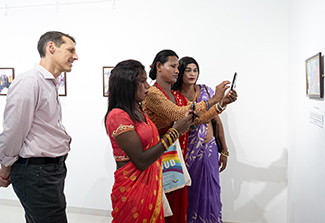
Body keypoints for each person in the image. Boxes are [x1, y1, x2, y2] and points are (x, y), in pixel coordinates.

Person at [142, 50, 234, 223]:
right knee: (164, 208)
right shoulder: (154, 93)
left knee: (179, 207)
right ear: (159, 67)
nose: (177, 70)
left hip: (176, 157)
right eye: (174, 66)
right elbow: (178, 114)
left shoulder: (175, 95)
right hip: (159, 156)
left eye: (178, 66)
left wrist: (221, 105)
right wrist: (214, 99)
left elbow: (195, 120)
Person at [104, 59, 197, 222]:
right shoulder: (118, 116)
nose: (148, 86)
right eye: (142, 81)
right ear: (127, 84)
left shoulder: (139, 110)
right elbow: (140, 160)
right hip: (133, 191)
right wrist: (174, 132)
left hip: (151, 187)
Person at [0, 31, 78, 223]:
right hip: (36, 173)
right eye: (70, 50)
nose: (75, 56)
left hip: (48, 171)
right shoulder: (30, 82)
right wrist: (5, 166)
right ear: (51, 47)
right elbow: (13, 131)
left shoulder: (48, 83)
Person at [172, 56, 237, 223]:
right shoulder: (174, 97)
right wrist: (218, 102)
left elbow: (217, 121)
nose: (193, 74)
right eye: (188, 70)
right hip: (186, 152)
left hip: (208, 150)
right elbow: (187, 122)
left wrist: (224, 150)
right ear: (180, 72)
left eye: (195, 70)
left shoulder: (206, 91)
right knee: (189, 192)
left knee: (210, 192)